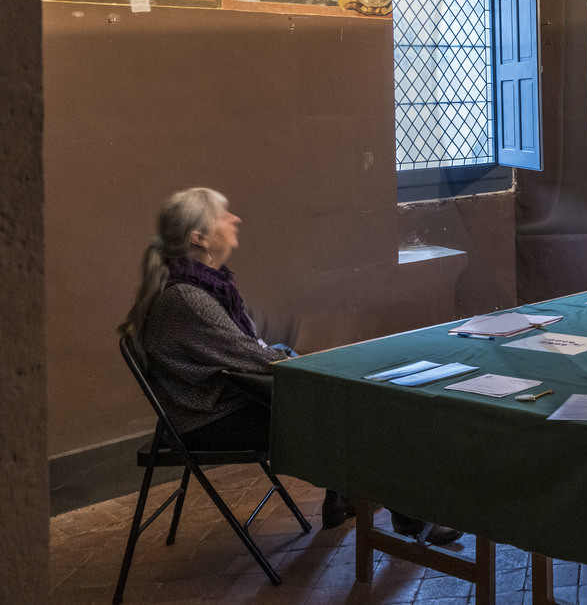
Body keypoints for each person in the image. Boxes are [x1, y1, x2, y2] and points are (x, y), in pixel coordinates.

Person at [120, 188, 461, 543]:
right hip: (209, 418)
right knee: (355, 410)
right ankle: (406, 514)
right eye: (224, 214)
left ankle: (347, 496)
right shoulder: (189, 298)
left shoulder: (207, 287)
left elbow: (250, 349)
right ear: (199, 237)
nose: (235, 219)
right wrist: (306, 361)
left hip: (223, 401)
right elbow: (253, 355)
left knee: (341, 404)